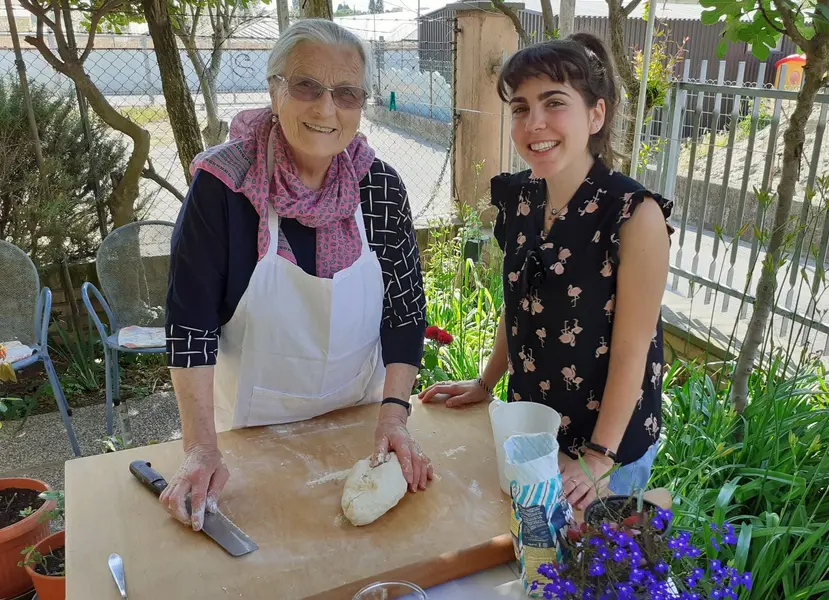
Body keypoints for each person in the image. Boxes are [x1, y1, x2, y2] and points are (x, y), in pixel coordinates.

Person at [161, 18, 433, 531]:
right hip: (250, 437)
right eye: (307, 86)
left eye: (347, 93)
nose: (326, 109)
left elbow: (405, 309)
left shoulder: (378, 187)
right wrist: (199, 449)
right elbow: (190, 324)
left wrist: (395, 416)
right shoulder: (226, 187)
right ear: (274, 90)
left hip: (360, 425)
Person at [419, 33, 673, 510]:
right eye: (520, 108)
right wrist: (485, 382)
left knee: (589, 574)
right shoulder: (519, 197)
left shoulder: (634, 215)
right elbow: (517, 303)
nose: (534, 122)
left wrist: (597, 457)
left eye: (554, 103)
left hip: (609, 446)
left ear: (596, 114)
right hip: (532, 428)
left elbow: (632, 349)